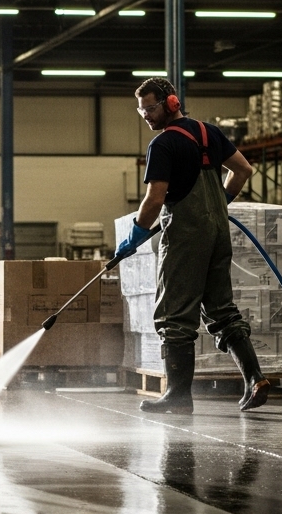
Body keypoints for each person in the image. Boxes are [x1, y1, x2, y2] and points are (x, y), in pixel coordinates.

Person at [114, 76, 270, 414]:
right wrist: (218, 202)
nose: (147, 117)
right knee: (221, 309)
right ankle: (255, 378)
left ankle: (179, 396)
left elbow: (155, 198)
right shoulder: (209, 132)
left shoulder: (164, 144)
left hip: (185, 237)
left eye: (150, 108)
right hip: (217, 232)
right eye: (141, 112)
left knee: (174, 314)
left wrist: (137, 234)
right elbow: (243, 170)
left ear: (171, 102)